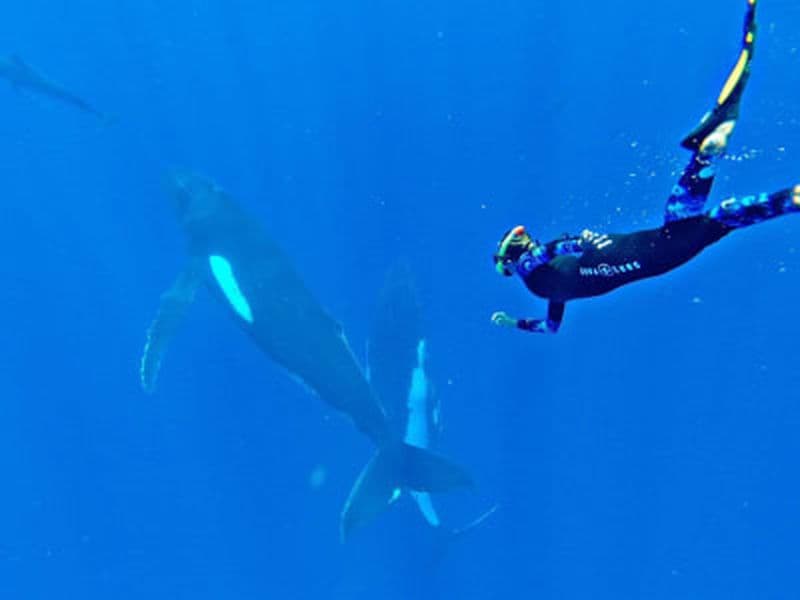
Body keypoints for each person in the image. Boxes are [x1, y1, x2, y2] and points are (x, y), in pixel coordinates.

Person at [492, 0, 796, 334]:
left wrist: (512, 322)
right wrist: (584, 242)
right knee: (694, 219)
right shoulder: (535, 268)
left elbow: (550, 328)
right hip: (636, 250)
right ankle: (708, 158)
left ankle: (769, 190)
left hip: (665, 258)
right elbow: (551, 250)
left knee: (715, 219)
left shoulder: (548, 290)